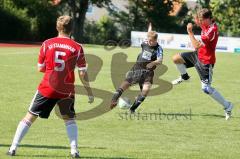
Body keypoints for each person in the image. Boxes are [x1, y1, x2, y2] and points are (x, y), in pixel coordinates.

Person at [7, 15, 94, 158]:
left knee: (29, 117)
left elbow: (40, 68)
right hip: (66, 90)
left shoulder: (47, 43)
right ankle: (74, 151)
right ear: (72, 29)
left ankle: (13, 148)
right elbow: (83, 73)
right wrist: (89, 91)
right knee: (69, 119)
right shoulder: (77, 47)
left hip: (47, 88)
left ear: (57, 27)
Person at [171, 8, 233, 120]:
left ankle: (227, 105)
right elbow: (197, 21)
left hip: (206, 62)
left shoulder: (212, 31)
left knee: (206, 88)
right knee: (176, 58)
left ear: (208, 19)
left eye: (201, 19)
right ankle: (184, 77)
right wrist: (192, 16)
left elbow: (196, 45)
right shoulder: (206, 23)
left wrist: (190, 32)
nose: (199, 21)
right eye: (199, 19)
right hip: (197, 55)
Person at [110, 27, 163, 113]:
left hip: (148, 73)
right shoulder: (145, 43)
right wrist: (149, 29)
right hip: (137, 68)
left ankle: (132, 109)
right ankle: (113, 100)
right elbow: (148, 34)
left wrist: (153, 63)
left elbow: (160, 60)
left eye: (151, 41)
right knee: (125, 85)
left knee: (145, 91)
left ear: (156, 40)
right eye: (148, 40)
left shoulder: (158, 48)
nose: (149, 42)